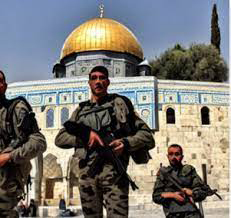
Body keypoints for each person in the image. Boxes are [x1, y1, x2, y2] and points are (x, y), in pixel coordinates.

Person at [55, 66, 154, 218]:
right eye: (94, 78)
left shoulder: (119, 105)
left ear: (108, 82)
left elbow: (147, 136)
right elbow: (60, 139)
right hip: (87, 176)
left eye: (102, 78)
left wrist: (126, 143)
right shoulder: (81, 110)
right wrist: (86, 137)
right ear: (89, 83)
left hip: (114, 174)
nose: (98, 81)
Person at [0, 70, 47, 217]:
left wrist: (9, 156)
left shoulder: (15, 110)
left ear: (5, 86)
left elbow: (39, 142)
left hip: (5, 186)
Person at [152, 144, 208, 218]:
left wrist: (191, 192)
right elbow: (156, 196)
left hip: (191, 213)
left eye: (177, 154)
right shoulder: (164, 173)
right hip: (173, 214)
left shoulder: (189, 170)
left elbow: (203, 192)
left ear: (182, 157)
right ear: (167, 156)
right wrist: (173, 195)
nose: (173, 157)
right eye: (171, 154)